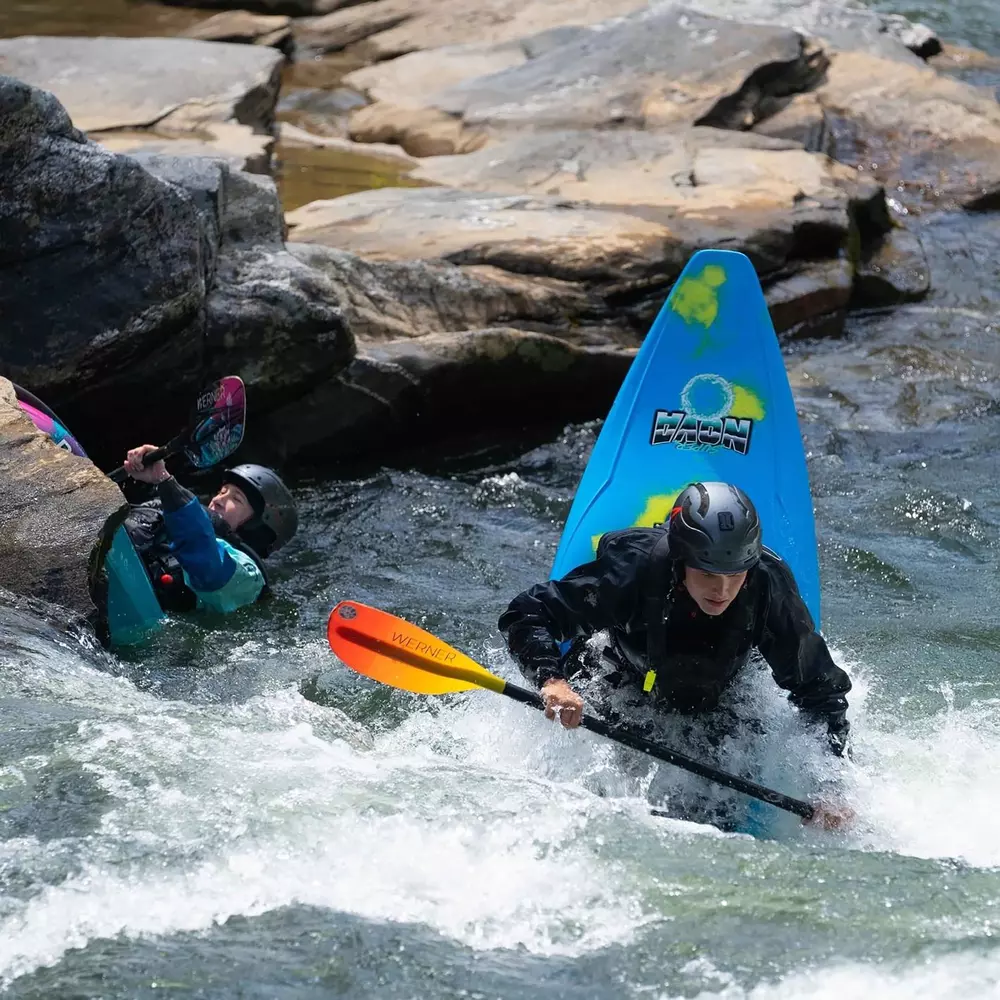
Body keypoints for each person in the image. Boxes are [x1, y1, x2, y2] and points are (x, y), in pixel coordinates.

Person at [499, 481, 853, 831]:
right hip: (622, 676)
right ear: (681, 560)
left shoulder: (768, 586)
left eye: (735, 574)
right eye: (708, 573)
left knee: (714, 822)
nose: (722, 590)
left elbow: (821, 690)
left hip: (721, 692)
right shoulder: (631, 573)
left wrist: (829, 785)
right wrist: (552, 680)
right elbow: (527, 613)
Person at [121, 444, 298, 615]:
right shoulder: (178, 524)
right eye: (222, 492)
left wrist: (164, 480)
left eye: (237, 499)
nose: (217, 500)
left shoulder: (249, 576)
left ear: (256, 528)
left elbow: (205, 562)